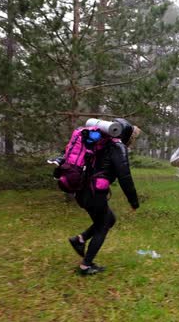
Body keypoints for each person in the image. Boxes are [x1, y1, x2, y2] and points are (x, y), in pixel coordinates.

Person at [67, 118, 141, 275]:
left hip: (84, 190)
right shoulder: (117, 147)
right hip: (95, 192)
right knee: (103, 225)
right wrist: (133, 201)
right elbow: (125, 176)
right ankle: (86, 266)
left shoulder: (101, 142)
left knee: (109, 219)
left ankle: (79, 239)